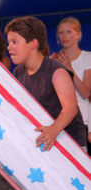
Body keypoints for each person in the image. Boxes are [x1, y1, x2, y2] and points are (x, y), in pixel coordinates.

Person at [6, 16, 87, 151]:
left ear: (33, 43)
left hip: (71, 143)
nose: (9, 47)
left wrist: (53, 131)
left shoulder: (56, 71)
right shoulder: (18, 72)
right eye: (8, 43)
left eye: (14, 42)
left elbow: (70, 108)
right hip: (45, 138)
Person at [51, 17, 91, 148]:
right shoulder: (52, 60)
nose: (64, 36)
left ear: (78, 35)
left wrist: (69, 69)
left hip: (83, 121)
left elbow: (85, 93)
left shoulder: (87, 57)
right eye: (61, 32)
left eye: (68, 32)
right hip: (60, 121)